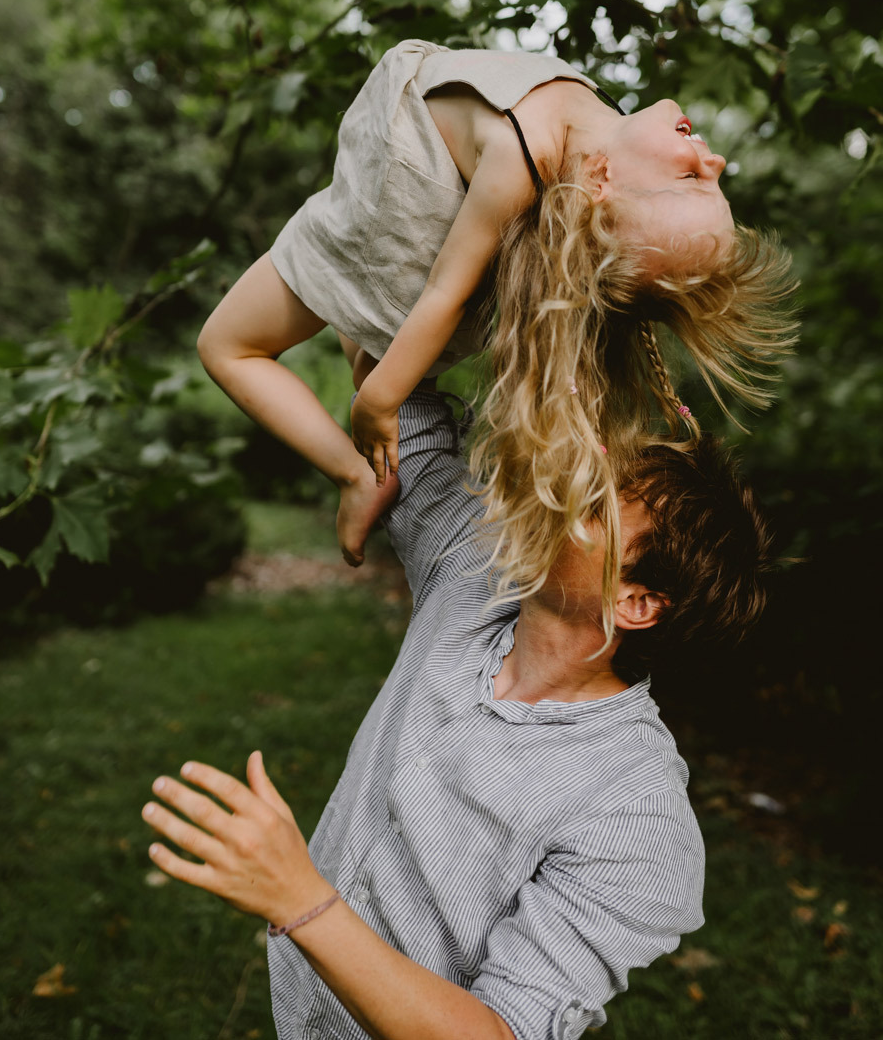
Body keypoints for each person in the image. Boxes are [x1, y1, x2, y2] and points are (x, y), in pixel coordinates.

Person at [142, 389, 771, 1040]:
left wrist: (299, 899)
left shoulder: (637, 820)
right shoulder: (477, 566)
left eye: (589, 502)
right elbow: (396, 402)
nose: (554, 489)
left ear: (635, 600)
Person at [197, 38, 794, 613]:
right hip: (411, 185)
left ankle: (354, 473)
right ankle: (374, 402)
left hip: (401, 208)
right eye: (713, 179)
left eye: (693, 178)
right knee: (370, 352)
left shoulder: (525, 152)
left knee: (228, 346)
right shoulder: (593, 135)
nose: (713, 160)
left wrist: (378, 404)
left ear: (600, 180)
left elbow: (445, 291)